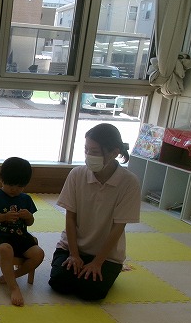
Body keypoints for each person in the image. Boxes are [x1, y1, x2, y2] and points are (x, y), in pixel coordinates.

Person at [48, 123, 140, 300]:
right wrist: (74, 255)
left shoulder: (129, 183)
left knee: (91, 293)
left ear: (114, 153)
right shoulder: (77, 175)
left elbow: (118, 227)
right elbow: (70, 218)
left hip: (107, 256)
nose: (89, 155)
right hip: (72, 247)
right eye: (86, 150)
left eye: (95, 151)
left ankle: (104, 271)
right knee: (59, 283)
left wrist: (97, 262)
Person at [0, 157, 45, 306]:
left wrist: (28, 216)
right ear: (1, 178)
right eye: (10, 185)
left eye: (20, 186)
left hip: (21, 237)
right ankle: (13, 287)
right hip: (0, 237)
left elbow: (30, 222)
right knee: (5, 249)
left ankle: (12, 275)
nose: (14, 189)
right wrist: (4, 217)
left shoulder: (26, 199)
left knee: (39, 254)